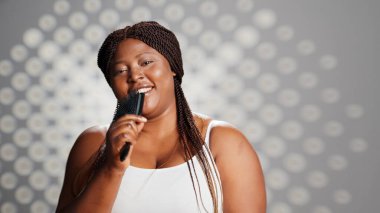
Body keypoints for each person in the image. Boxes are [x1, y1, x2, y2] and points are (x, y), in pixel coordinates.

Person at [56, 21, 266, 213]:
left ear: (172, 67)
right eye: (120, 70)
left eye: (146, 62)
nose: (134, 76)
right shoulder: (93, 143)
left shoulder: (222, 142)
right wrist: (111, 168)